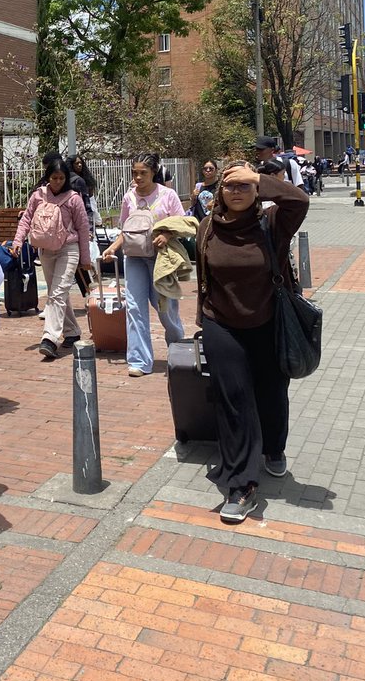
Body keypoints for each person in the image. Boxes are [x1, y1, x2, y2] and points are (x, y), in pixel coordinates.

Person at [196, 161, 309, 524]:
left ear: (257, 189)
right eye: (231, 185)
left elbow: (300, 201)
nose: (238, 191)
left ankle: (274, 447)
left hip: (268, 323)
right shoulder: (208, 227)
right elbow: (203, 278)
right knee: (235, 402)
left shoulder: (272, 224)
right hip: (221, 325)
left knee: (272, 392)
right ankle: (242, 485)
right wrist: (203, 322)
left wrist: (257, 176)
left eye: (245, 185)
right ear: (220, 192)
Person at [101, 153, 187, 377]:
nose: (138, 178)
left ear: (154, 172)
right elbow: (125, 230)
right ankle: (139, 360)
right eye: (134, 173)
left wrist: (166, 235)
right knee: (135, 308)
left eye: (143, 173)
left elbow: (184, 223)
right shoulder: (129, 197)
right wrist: (113, 247)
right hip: (134, 257)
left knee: (164, 309)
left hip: (162, 258)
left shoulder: (167, 195)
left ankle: (178, 346)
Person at [11, 155, 92, 360]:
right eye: (54, 178)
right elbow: (26, 219)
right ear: (48, 177)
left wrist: (85, 258)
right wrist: (18, 241)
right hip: (46, 250)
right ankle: (72, 332)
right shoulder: (38, 195)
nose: (57, 182)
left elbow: (83, 228)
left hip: (68, 249)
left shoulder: (74, 198)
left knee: (56, 294)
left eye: (61, 178)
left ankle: (50, 339)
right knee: (58, 294)